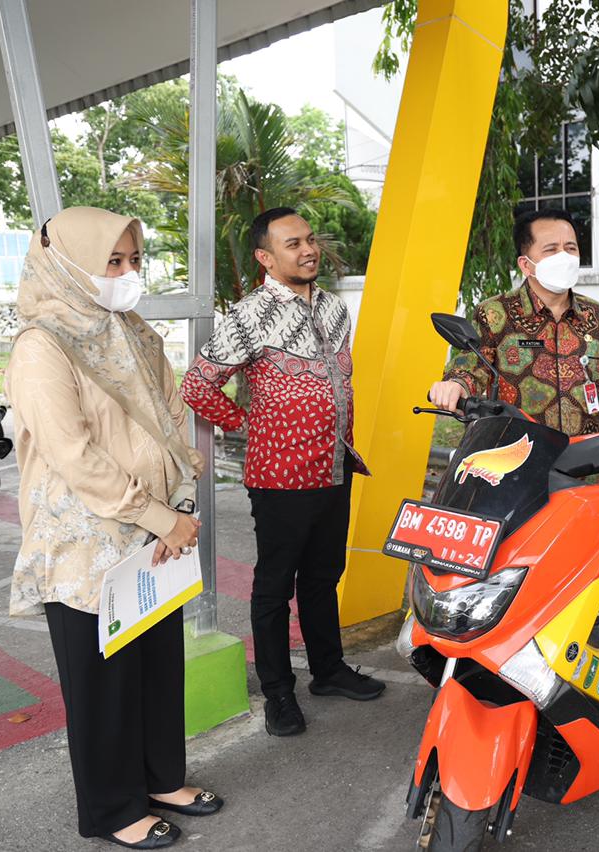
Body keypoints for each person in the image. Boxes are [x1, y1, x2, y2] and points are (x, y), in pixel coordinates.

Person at [6, 207, 222, 849]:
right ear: (69, 262)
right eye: (113, 262)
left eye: (134, 260)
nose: (129, 275)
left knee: (156, 666)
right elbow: (73, 456)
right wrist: (161, 516)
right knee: (103, 682)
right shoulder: (41, 345)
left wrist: (180, 499)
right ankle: (111, 808)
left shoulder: (129, 329)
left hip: (155, 535)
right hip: (84, 545)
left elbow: (168, 412)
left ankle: (161, 778)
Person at [181, 206, 381, 739]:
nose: (308, 249)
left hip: (335, 467)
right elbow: (197, 385)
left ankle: (329, 671)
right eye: (292, 244)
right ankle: (277, 693)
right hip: (279, 477)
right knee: (274, 588)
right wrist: (251, 424)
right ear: (266, 258)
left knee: (322, 578)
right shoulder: (248, 316)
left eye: (310, 239)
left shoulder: (337, 309)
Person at [427, 208, 599, 495]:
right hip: (513, 479)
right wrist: (454, 385)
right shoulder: (494, 314)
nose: (564, 256)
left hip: (585, 479)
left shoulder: (598, 317)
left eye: (570, 248)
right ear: (526, 264)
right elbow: (470, 366)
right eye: (551, 249)